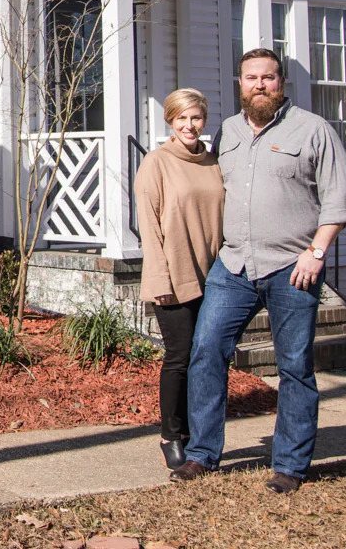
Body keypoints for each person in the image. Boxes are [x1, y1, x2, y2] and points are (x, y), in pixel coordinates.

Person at [171, 47, 346, 494]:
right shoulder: (229, 132)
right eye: (251, 77)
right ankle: (201, 455)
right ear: (240, 83)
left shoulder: (314, 130)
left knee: (293, 366)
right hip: (233, 263)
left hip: (293, 267)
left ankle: (290, 465)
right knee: (206, 350)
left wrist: (317, 251)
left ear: (281, 82)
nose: (259, 85)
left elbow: (339, 200)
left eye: (267, 77)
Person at [134, 88, 224, 470]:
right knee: (180, 357)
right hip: (174, 274)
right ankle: (172, 434)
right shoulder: (156, 163)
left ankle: (199, 433)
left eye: (196, 118)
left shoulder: (214, 162)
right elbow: (149, 228)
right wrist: (160, 280)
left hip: (216, 276)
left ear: (204, 120)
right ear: (170, 121)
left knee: (209, 359)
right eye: (181, 118)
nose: (189, 125)